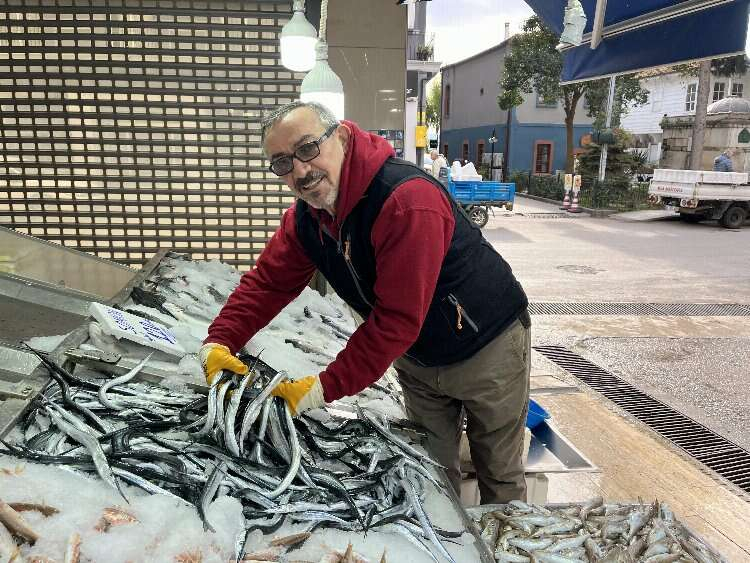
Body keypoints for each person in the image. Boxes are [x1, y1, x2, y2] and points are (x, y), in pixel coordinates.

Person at [199, 101, 530, 503]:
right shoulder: (307, 219)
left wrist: (322, 388)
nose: (300, 171)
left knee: (499, 473)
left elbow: (396, 319)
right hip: (417, 359)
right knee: (432, 474)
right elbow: (268, 283)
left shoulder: (405, 200)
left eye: (307, 148)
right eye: (283, 163)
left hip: (487, 347)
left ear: (340, 137)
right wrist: (219, 341)